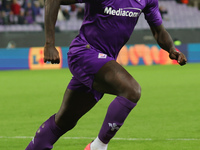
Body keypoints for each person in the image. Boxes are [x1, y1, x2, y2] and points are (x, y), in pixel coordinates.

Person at [25, 0, 187, 150]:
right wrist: (49, 43)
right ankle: (98, 147)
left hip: (103, 62)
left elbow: (159, 31)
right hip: (84, 52)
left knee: (64, 121)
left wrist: (172, 49)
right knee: (132, 90)